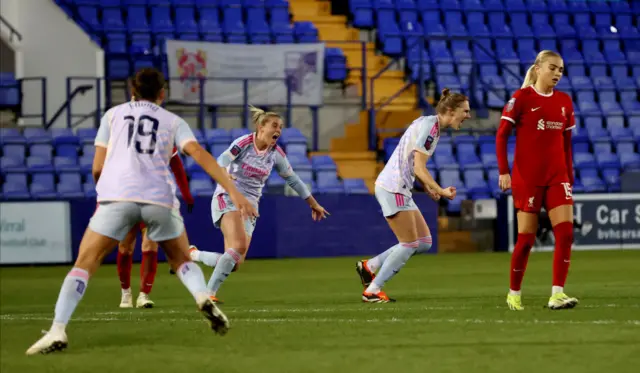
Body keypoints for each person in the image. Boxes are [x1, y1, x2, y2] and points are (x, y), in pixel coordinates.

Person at [26, 68, 258, 355]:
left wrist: (107, 194)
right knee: (182, 259)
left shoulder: (112, 115)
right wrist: (234, 192)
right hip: (159, 197)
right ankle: (202, 297)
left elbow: (98, 167)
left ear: (131, 92)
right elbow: (199, 154)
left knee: (86, 261)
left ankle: (58, 329)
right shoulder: (173, 121)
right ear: (163, 94)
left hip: (118, 196)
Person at [188, 105, 329, 303]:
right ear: (261, 127)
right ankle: (207, 294)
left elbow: (293, 179)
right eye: (274, 125)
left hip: (250, 207)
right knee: (237, 247)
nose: (278, 130)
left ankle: (193, 255)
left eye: (280, 127)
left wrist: (313, 204)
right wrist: (224, 171)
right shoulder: (244, 143)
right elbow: (222, 159)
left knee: (234, 261)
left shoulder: (276, 154)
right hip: (228, 197)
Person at [356, 88, 470, 303]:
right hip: (394, 187)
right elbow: (418, 167)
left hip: (400, 187)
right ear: (450, 110)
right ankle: (372, 290)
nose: (469, 115)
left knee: (424, 242)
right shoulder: (430, 128)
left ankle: (369, 266)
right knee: (409, 243)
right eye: (465, 111)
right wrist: (440, 190)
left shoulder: (429, 123)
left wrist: (427, 188)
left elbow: (411, 161)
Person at [496, 50, 579, 311]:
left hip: (557, 177)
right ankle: (514, 293)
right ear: (538, 68)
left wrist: (569, 174)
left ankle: (557, 294)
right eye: (553, 68)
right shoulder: (520, 99)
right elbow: (501, 136)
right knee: (526, 241)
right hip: (528, 179)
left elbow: (566, 144)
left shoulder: (565, 101)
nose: (557, 74)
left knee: (565, 234)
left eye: (561, 70)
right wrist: (504, 171)